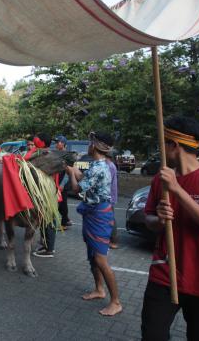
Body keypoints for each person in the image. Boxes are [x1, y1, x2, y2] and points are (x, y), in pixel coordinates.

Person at [141, 116, 199, 341]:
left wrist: (177, 190)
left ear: (173, 145)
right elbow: (149, 219)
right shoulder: (160, 180)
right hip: (165, 273)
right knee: (152, 336)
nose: (160, 148)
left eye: (163, 143)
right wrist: (160, 221)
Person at [66, 131, 122, 317]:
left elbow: (76, 189)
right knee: (92, 256)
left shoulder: (100, 167)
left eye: (91, 143)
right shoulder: (98, 165)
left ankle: (116, 301)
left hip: (99, 215)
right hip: (92, 213)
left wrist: (70, 173)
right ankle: (99, 289)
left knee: (100, 259)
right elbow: (87, 181)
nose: (88, 146)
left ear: (96, 147)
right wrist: (76, 172)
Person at [34, 134, 68, 258]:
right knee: (45, 220)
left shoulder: (49, 156)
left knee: (49, 221)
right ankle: (45, 244)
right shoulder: (50, 154)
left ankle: (49, 249)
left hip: (50, 193)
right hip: (49, 192)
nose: (57, 143)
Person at [105, 153, 119, 248]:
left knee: (111, 218)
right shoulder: (111, 165)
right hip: (110, 196)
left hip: (109, 197)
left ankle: (113, 240)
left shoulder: (109, 166)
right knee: (109, 217)